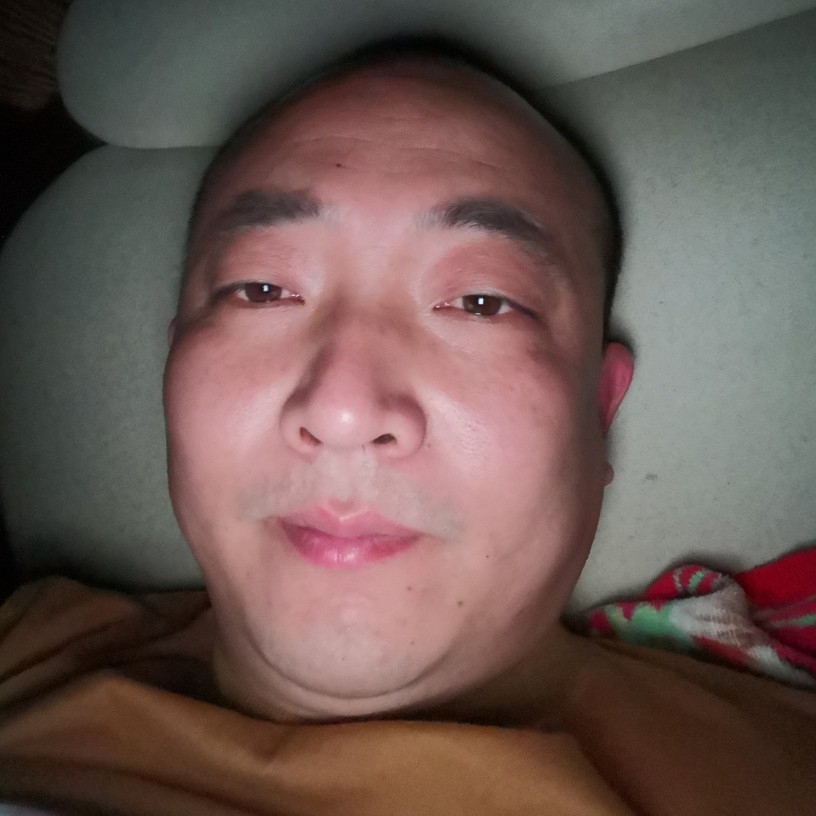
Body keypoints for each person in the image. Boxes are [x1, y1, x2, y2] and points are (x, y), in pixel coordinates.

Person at [0, 42, 814, 815]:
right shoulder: (33, 638)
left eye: (482, 302)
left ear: (597, 412)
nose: (343, 410)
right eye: (261, 289)